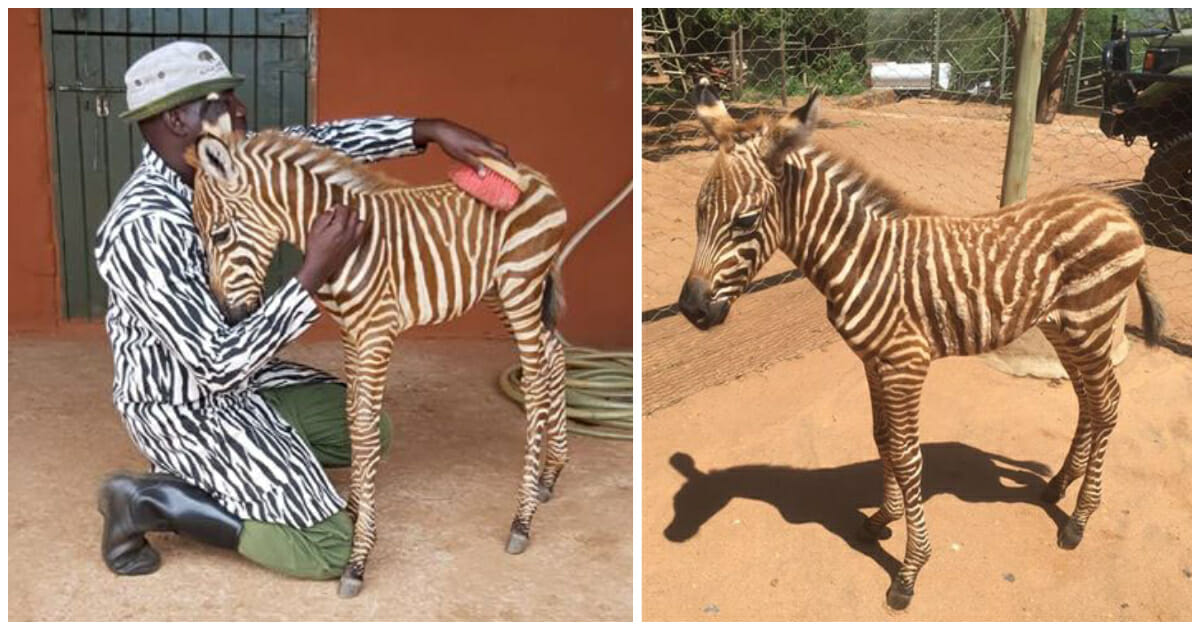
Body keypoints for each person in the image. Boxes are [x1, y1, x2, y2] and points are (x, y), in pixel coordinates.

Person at [93, 41, 511, 580]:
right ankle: (149, 503)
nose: (239, 110)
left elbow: (318, 143)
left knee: (368, 431)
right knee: (329, 547)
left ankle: (217, 469)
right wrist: (312, 274)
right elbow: (216, 362)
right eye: (220, 100)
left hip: (247, 382)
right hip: (182, 401)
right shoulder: (144, 225)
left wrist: (428, 131)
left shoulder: (229, 162)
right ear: (177, 118)